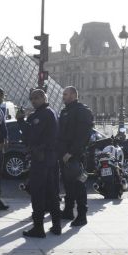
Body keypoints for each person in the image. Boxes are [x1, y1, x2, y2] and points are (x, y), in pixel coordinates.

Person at [17, 89, 61, 238]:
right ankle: (56, 225)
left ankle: (38, 228)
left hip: (41, 160)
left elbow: (30, 137)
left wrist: (21, 122)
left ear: (43, 98)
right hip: (51, 159)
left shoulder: (42, 115)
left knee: (38, 193)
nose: (33, 101)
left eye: (36, 98)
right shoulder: (50, 112)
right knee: (53, 193)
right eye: (31, 99)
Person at [57, 86, 93, 227]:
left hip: (74, 155)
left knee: (78, 186)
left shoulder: (82, 111)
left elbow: (83, 135)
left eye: (65, 94)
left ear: (73, 95)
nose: (63, 96)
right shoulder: (66, 111)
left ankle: (82, 216)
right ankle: (68, 210)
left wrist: (71, 152)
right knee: (68, 185)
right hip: (65, 154)